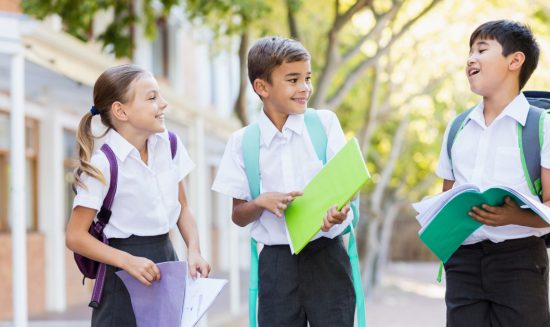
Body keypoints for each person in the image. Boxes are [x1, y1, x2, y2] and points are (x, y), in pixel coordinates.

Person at [436, 20, 550, 327]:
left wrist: (515, 216)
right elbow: (447, 199)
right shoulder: (458, 128)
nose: (471, 58)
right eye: (469, 51)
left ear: (515, 60)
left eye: (482, 49)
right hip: (463, 260)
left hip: (520, 262)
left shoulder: (542, 127)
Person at [212, 36, 356, 326]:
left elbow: (346, 190)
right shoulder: (242, 143)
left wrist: (336, 214)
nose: (305, 88)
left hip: (327, 258)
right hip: (276, 266)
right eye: (293, 79)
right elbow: (238, 215)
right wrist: (261, 203)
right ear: (262, 87)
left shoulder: (325, 125)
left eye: (307, 78)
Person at [66, 64, 210, 327]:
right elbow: (75, 236)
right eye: (152, 97)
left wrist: (194, 250)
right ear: (121, 111)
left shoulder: (170, 145)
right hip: (121, 271)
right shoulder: (103, 165)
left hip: (166, 260)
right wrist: (128, 262)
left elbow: (182, 207)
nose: (164, 104)